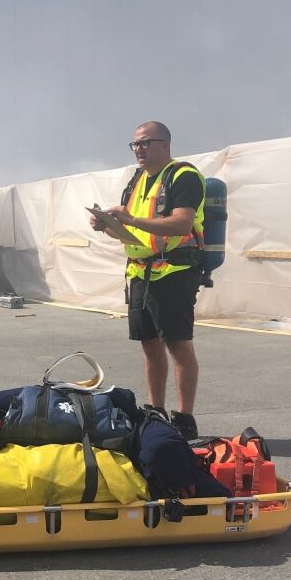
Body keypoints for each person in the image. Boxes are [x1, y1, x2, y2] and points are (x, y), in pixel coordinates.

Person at [90, 121, 205, 440]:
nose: (138, 149)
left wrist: (129, 218)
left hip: (174, 273)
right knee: (149, 345)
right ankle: (156, 411)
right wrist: (106, 225)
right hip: (140, 272)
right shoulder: (137, 180)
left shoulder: (184, 176)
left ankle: (185, 418)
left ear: (165, 144)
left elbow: (182, 224)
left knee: (178, 345)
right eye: (135, 145)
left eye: (145, 143)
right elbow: (128, 232)